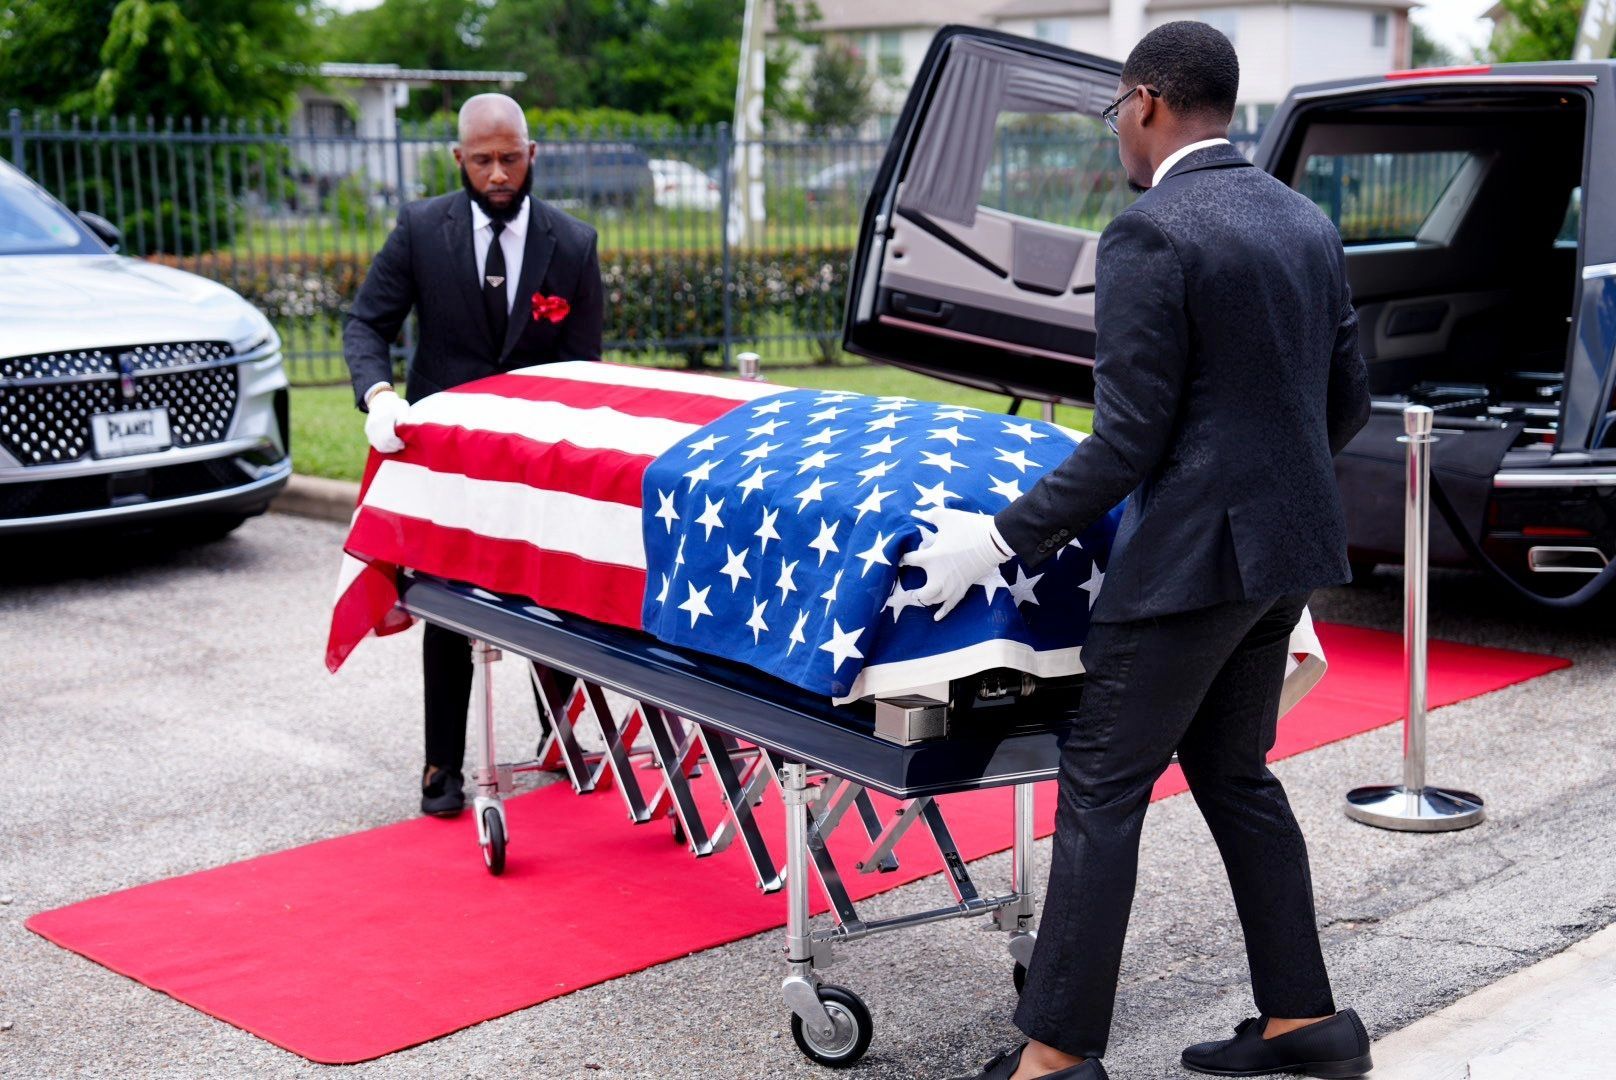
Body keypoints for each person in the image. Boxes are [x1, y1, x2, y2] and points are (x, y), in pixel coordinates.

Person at [905, 23, 1373, 1080]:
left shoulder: (1149, 233)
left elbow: (1126, 439)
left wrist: (995, 536)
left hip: (1187, 570)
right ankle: (1304, 1025)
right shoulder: (1302, 221)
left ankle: (1055, 1058)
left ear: (1148, 101)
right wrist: (1260, 487)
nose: (1114, 128)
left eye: (1114, 108)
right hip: (1281, 556)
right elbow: (1343, 402)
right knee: (1232, 772)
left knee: (1102, 789)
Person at [343, 93, 604, 818]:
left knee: (552, 598)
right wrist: (378, 396)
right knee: (450, 610)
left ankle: (562, 739)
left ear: (532, 155)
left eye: (510, 158)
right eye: (482, 159)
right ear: (458, 158)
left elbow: (584, 366)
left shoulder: (573, 243)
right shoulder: (422, 230)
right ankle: (441, 765)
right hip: (447, 461)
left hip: (536, 461)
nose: (497, 173)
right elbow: (367, 322)